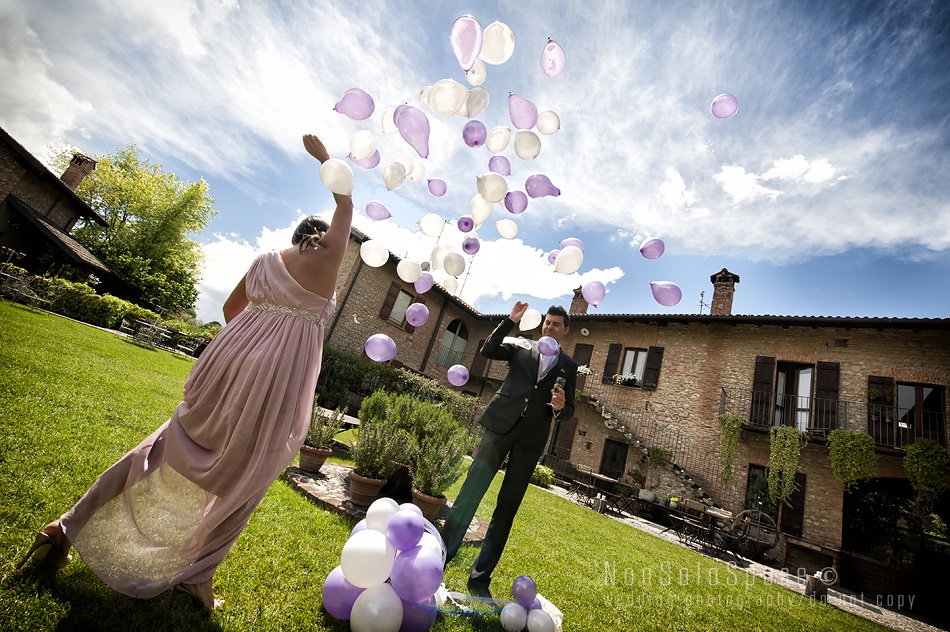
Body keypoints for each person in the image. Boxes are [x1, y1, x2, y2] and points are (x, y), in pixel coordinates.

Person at [16, 133, 353, 610]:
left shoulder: (266, 262)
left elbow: (231, 307)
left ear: (296, 235)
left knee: (163, 447)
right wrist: (326, 159)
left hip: (227, 366)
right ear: (325, 241)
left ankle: (64, 528)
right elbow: (346, 201)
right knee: (248, 478)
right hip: (275, 383)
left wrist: (253, 341)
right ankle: (197, 579)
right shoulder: (328, 262)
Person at [441, 302, 578, 596]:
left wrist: (561, 407)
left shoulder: (569, 366)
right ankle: (440, 558)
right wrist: (510, 321)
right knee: (470, 493)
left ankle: (479, 579)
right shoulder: (520, 346)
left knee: (507, 508)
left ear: (566, 330)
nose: (549, 327)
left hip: (531, 439)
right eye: (546, 322)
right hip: (500, 425)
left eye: (556, 324)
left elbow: (569, 410)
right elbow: (487, 351)